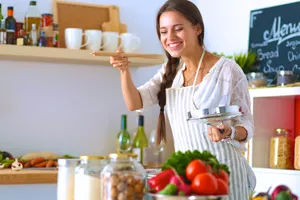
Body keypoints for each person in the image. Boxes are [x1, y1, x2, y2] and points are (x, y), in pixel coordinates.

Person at [110, 0, 256, 199]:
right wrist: (124, 71)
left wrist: (229, 131)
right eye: (163, 32)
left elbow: (247, 126)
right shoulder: (170, 71)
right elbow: (135, 102)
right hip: (190, 178)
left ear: (197, 28)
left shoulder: (227, 71)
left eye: (178, 29)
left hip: (225, 177)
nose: (170, 37)